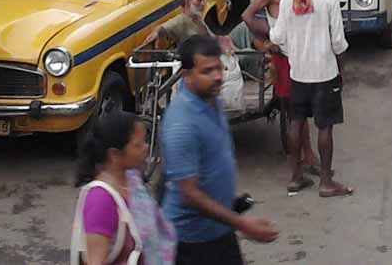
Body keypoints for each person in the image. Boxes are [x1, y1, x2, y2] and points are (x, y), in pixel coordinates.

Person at [164, 35, 278, 263]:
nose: (217, 77)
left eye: (219, 68)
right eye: (207, 71)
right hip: (193, 242)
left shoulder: (212, 101)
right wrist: (242, 224)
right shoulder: (181, 123)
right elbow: (190, 194)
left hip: (220, 229)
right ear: (186, 76)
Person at [269, 0, 352, 197]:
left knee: (297, 123)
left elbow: (278, 36)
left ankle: (295, 177)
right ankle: (326, 182)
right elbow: (338, 41)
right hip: (324, 73)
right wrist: (341, 69)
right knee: (325, 126)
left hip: (298, 73)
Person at [241, 0, 318, 176]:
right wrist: (267, 40)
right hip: (283, 56)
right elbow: (248, 15)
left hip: (293, 53)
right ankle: (304, 157)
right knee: (296, 109)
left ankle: (305, 156)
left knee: (298, 108)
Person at [71, 110, 176, 264]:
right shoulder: (101, 199)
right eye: (138, 145)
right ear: (114, 154)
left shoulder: (132, 178)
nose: (146, 148)